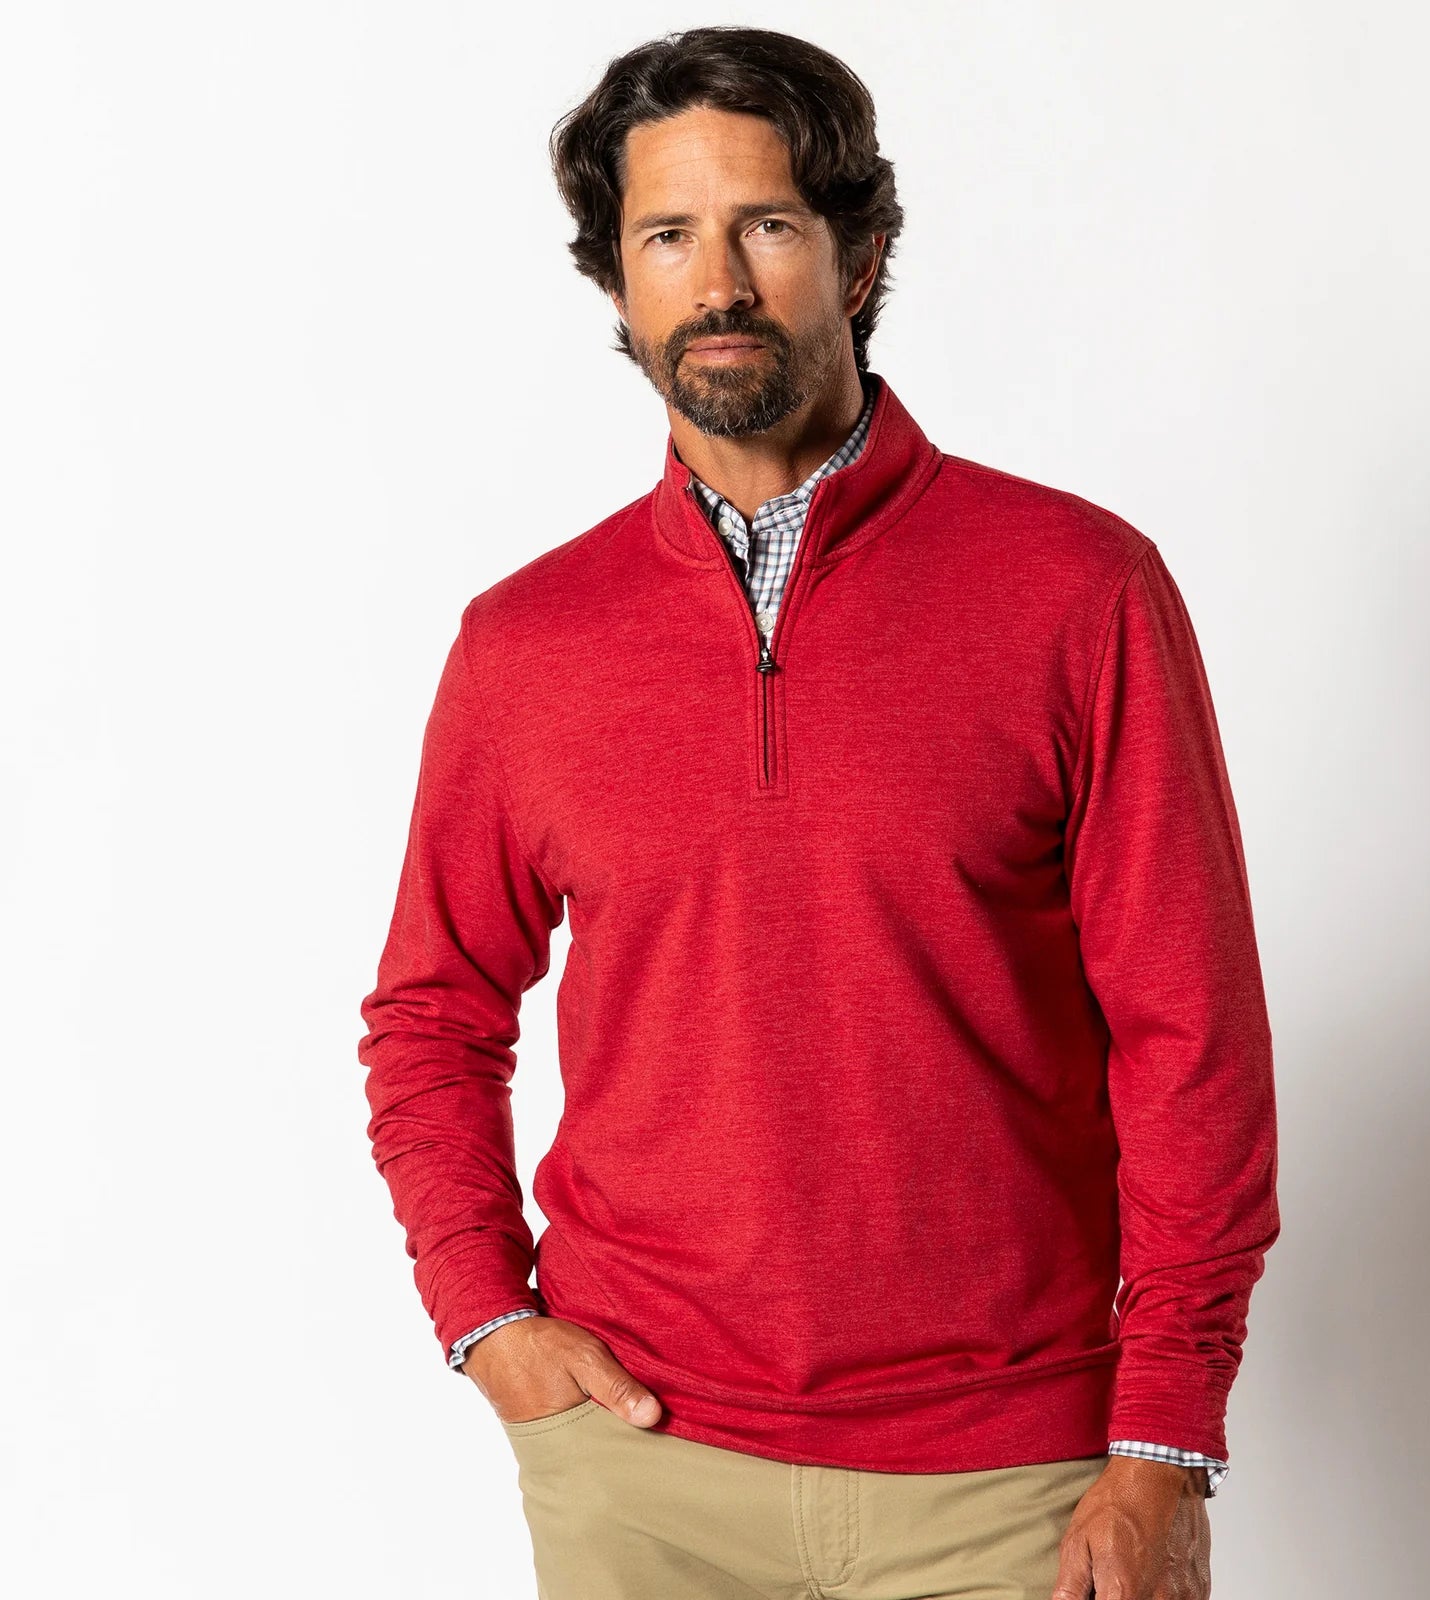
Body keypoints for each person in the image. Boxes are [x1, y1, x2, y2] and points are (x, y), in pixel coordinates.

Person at [358, 24, 1279, 1600]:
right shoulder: (526, 644)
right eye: (668, 235)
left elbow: (1191, 1039)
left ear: (859, 258)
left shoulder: (1079, 592)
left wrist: (1164, 1441)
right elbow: (434, 1016)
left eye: (767, 225)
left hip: (1016, 1477)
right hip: (642, 1468)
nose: (718, 281)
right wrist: (485, 1317)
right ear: (617, 282)